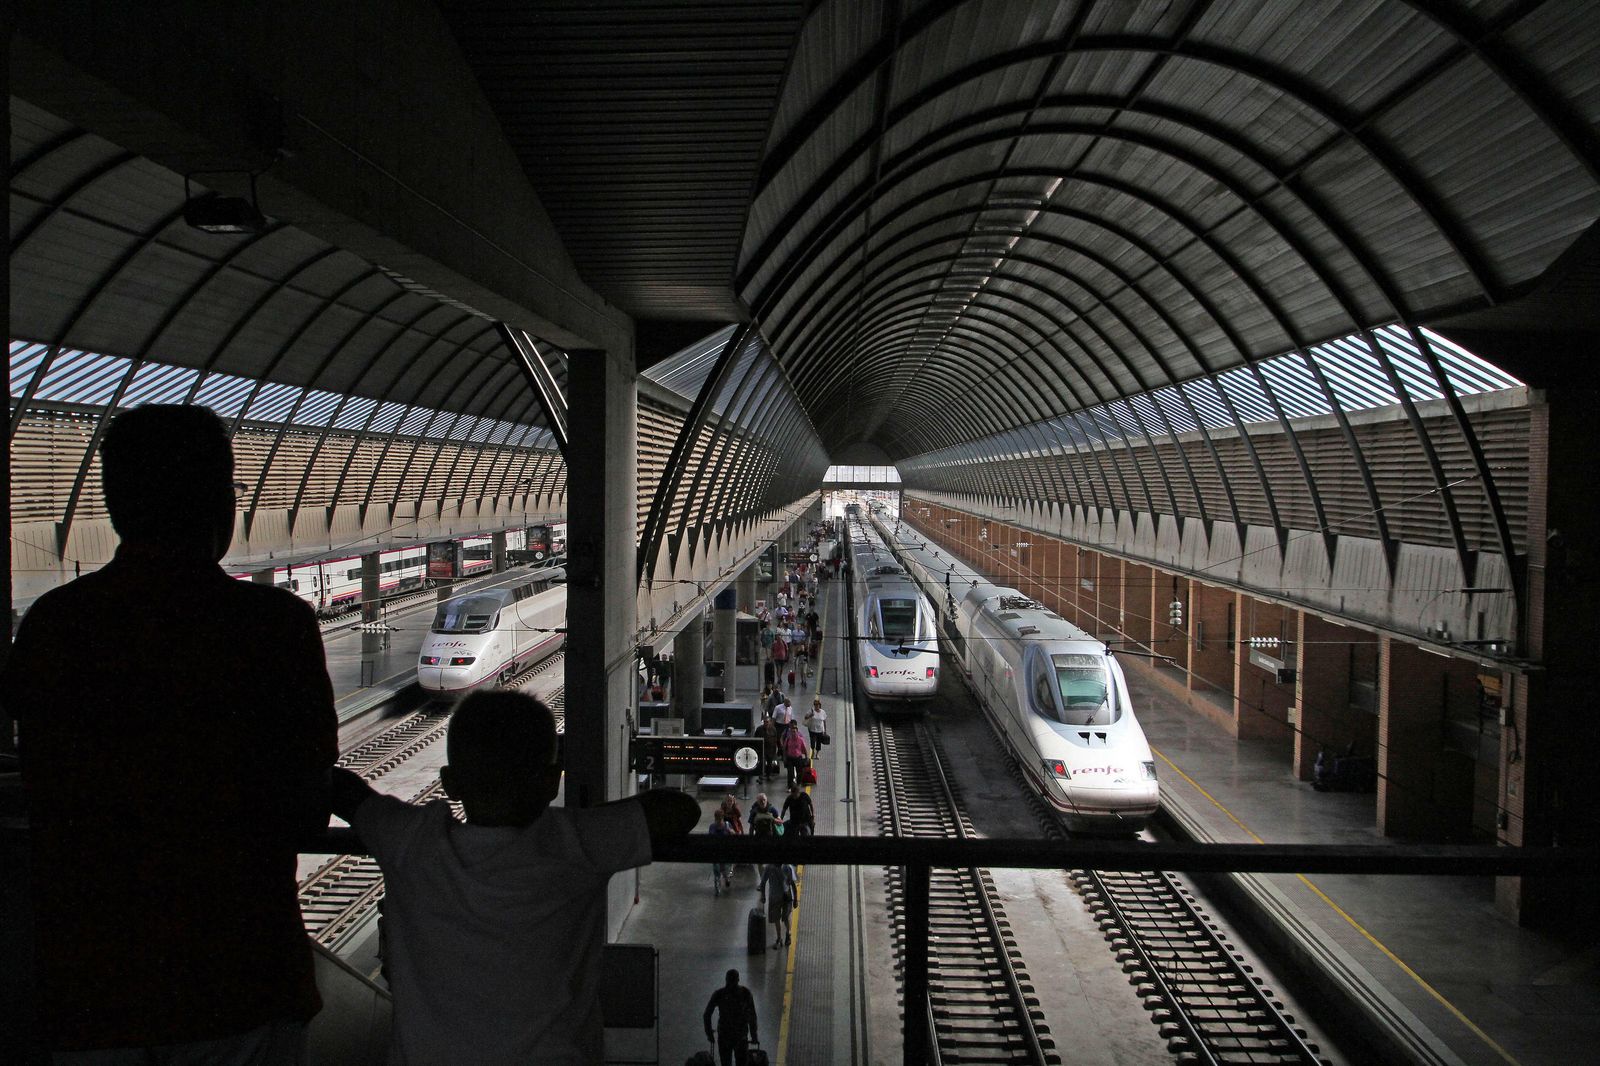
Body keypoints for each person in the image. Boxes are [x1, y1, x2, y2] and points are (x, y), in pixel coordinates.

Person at [2, 404, 339, 1060]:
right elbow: (306, 799)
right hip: (240, 981)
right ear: (219, 502)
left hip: (93, 992)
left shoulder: (54, 626)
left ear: (115, 503)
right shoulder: (274, 627)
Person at [330, 690, 700, 1065]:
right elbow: (680, 811)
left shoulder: (409, 840)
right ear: (552, 782)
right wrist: (590, 821)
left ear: (449, 782)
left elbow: (342, 789)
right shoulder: (577, 844)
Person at [703, 969, 758, 1066]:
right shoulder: (745, 993)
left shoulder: (719, 994)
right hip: (741, 1036)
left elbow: (707, 1015)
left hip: (724, 1036)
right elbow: (752, 1016)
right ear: (738, 980)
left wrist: (709, 1034)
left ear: (726, 980)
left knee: (726, 1063)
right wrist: (754, 1035)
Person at [759, 861, 799, 947]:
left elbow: (762, 883)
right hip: (784, 896)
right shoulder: (786, 867)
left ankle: (782, 937)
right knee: (785, 918)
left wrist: (763, 896)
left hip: (776, 897)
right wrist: (795, 899)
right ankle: (783, 936)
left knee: (780, 918)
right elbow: (792, 884)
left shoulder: (769, 867)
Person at [782, 719, 810, 788]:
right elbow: (785, 748)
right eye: (792, 732)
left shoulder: (800, 740)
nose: (793, 733)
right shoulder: (788, 739)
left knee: (799, 772)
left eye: (794, 731)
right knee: (790, 773)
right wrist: (784, 757)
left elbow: (804, 748)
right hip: (790, 758)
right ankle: (790, 786)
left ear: (797, 732)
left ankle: (798, 783)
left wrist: (806, 757)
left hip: (798, 758)